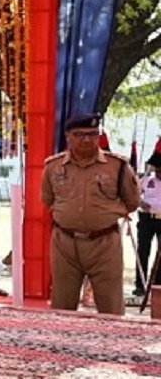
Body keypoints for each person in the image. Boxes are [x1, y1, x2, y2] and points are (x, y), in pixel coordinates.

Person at [42, 113, 140, 315]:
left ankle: (113, 345)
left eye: (93, 134)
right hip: (65, 243)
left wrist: (104, 215)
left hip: (104, 243)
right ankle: (60, 345)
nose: (87, 139)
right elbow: (48, 199)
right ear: (68, 136)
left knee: (110, 307)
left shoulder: (117, 166)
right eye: (80, 134)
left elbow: (132, 201)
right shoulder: (53, 166)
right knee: (62, 306)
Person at [134, 152, 161, 296]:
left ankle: (157, 285)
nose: (158, 172)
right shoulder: (147, 179)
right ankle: (140, 285)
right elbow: (134, 193)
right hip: (146, 219)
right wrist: (140, 202)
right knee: (143, 251)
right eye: (157, 169)